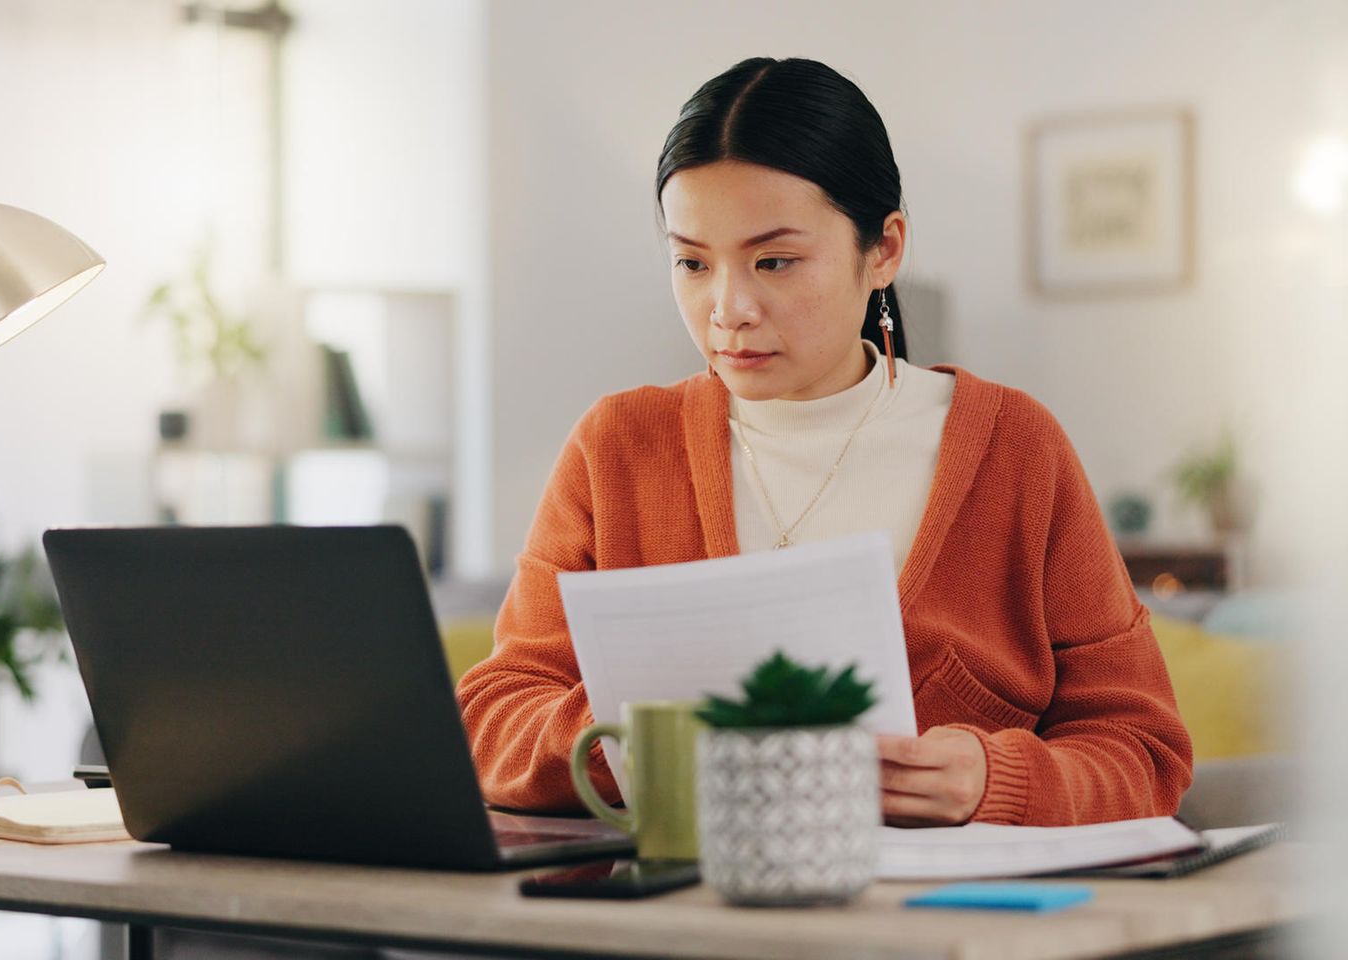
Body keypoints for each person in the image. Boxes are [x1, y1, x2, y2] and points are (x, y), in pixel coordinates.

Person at [455, 57, 1192, 827]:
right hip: (675, 924)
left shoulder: (1016, 450)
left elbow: (1145, 752)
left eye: (775, 261)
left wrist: (994, 778)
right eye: (692, 263)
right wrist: (637, 743)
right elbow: (492, 721)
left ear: (884, 250)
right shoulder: (618, 449)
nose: (728, 308)